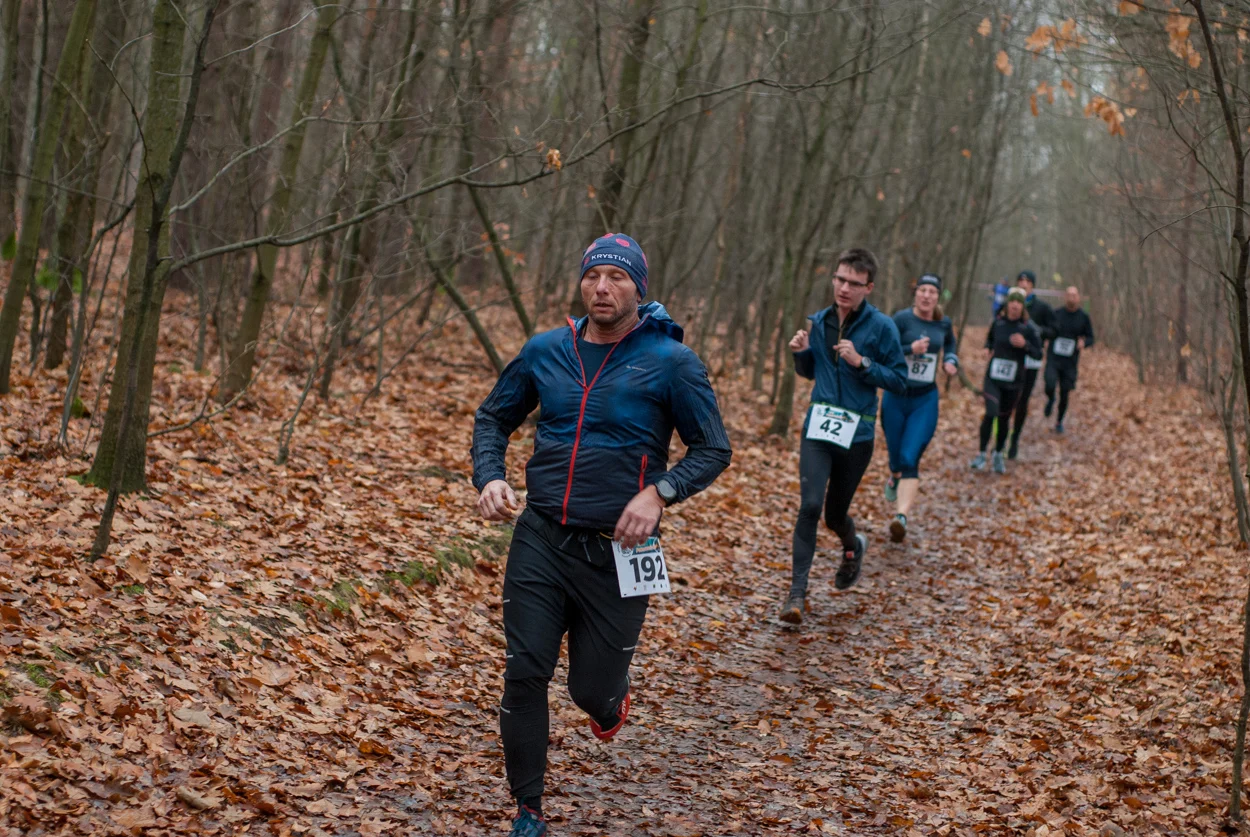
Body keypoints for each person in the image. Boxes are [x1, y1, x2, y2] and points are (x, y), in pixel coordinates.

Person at [471, 233, 732, 836]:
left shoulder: (672, 363)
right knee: (524, 671)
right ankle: (529, 810)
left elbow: (713, 449)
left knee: (590, 691)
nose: (602, 288)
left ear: (640, 288)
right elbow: (493, 416)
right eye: (593, 276)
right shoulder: (545, 351)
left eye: (617, 278)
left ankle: (610, 702)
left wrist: (659, 493)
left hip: (622, 551)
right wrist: (490, 476)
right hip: (541, 536)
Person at [779, 248, 907, 625]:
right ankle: (796, 595)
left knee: (834, 515)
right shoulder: (819, 322)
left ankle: (852, 546)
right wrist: (801, 353)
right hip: (818, 428)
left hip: (858, 435)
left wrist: (862, 362)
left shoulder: (882, 327)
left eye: (854, 283)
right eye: (840, 279)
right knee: (809, 506)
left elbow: (900, 380)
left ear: (869, 287)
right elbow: (811, 373)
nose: (844, 288)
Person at [881, 273, 959, 543]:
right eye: (923, 290)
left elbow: (950, 344)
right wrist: (909, 348)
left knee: (910, 456)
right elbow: (885, 350)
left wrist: (951, 360)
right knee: (896, 458)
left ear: (938, 297)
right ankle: (894, 476)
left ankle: (901, 516)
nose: (927, 295)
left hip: (924, 400)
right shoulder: (901, 319)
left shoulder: (943, 323)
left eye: (932, 292)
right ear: (915, 293)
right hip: (895, 396)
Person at [970, 287, 1042, 475]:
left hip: (1014, 382)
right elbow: (989, 340)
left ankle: (997, 454)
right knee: (991, 412)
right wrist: (987, 349)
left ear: (1023, 306)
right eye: (1012, 301)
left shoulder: (1028, 328)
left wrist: (1025, 345)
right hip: (993, 378)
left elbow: (1038, 354)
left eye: (1019, 302)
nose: (1015, 305)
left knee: (1003, 418)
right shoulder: (998, 323)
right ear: (1007, 304)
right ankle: (981, 454)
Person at [1007, 270, 1055, 460]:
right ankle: (1001, 436)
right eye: (1020, 281)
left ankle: (1015, 439)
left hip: (1031, 360)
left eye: (1027, 282)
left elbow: (1054, 330)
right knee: (1006, 399)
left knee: (1022, 401)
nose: (1023, 284)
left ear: (1033, 286)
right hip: (1009, 359)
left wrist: (1039, 331)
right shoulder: (1008, 305)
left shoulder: (1042, 308)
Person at [1044, 285, 1096, 434]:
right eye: (1069, 295)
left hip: (1070, 362)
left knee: (1065, 392)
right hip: (1054, 358)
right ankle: (1050, 398)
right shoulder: (1056, 314)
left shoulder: (1083, 317)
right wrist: (1047, 338)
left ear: (1078, 298)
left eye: (1074, 295)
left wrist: (1083, 343)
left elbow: (1091, 337)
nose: (1071, 298)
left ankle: (1059, 421)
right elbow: (1047, 330)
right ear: (1064, 297)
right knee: (1049, 383)